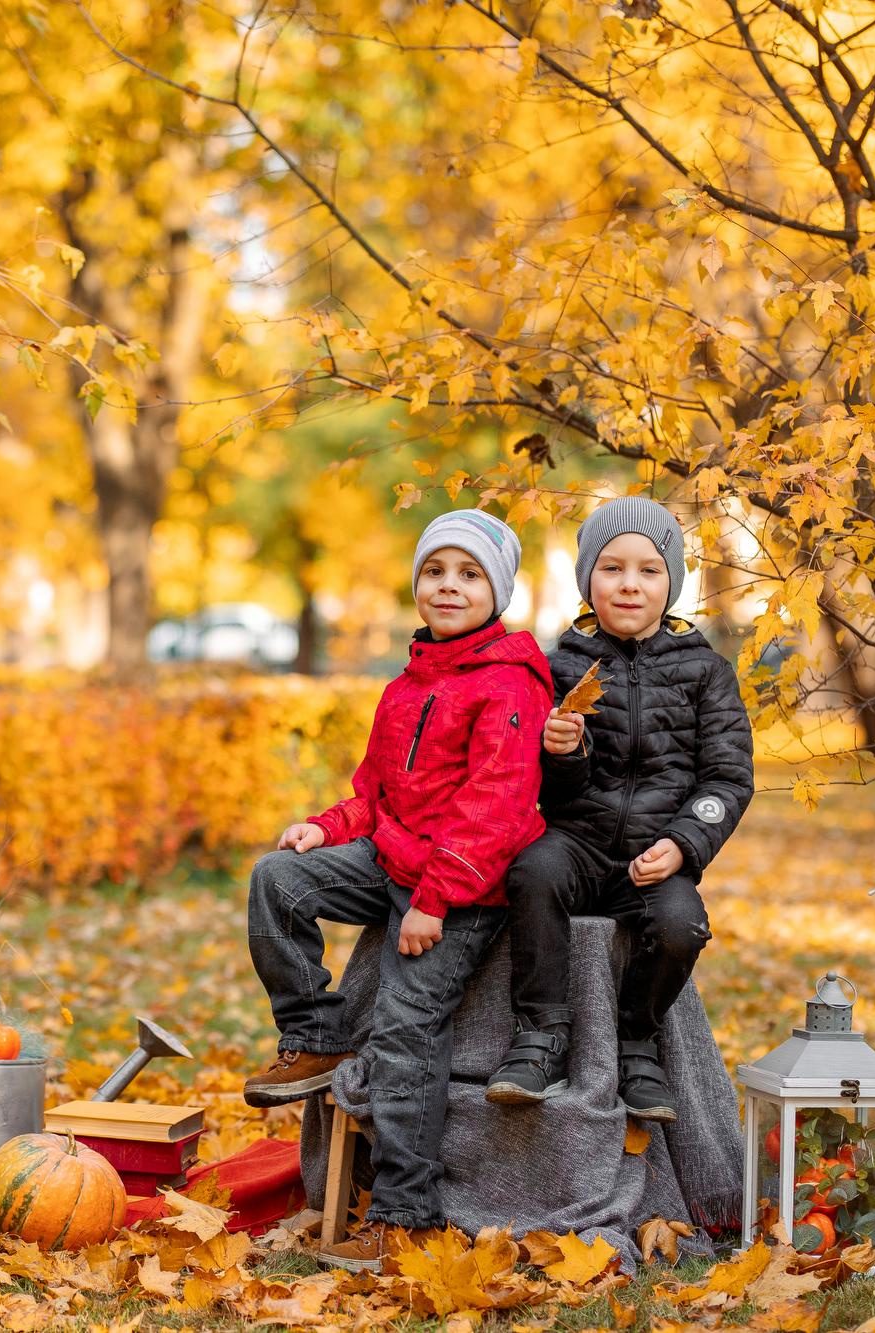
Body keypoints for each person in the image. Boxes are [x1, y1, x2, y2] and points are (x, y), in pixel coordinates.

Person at [241, 510, 554, 1271]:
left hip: (463, 889)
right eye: (436, 571)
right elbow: (376, 795)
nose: (449, 586)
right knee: (277, 877)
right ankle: (315, 1035)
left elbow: (497, 812)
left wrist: (435, 902)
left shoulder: (510, 685)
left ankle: (406, 1214)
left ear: (498, 590)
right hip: (391, 861)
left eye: (469, 574)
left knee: (407, 1025)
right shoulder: (408, 683)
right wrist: (327, 825)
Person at [484, 496, 754, 1123]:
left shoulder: (705, 673)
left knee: (682, 925)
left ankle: (637, 1045)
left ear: (672, 582)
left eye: (648, 570)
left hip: (653, 853)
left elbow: (728, 776)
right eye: (611, 568)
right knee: (532, 873)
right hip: (576, 839)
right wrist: (563, 753)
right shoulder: (556, 668)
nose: (629, 584)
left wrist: (686, 844)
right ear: (587, 580)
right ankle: (541, 1035)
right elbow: (538, 786)